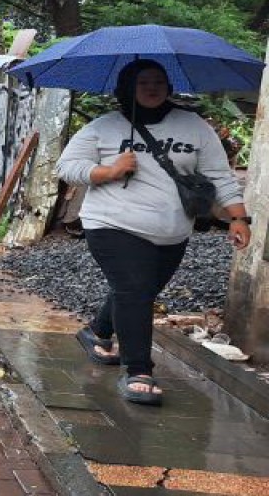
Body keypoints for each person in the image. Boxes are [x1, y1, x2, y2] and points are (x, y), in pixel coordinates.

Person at [56, 59, 249, 406]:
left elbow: (219, 175)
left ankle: (97, 331)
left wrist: (238, 218)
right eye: (143, 81)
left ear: (169, 87)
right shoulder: (105, 127)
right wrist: (109, 171)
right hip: (112, 224)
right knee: (135, 291)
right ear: (128, 87)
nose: (152, 87)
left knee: (137, 290)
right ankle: (138, 371)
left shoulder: (194, 127)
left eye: (159, 81)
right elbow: (67, 167)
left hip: (173, 231)